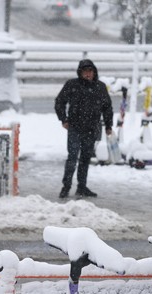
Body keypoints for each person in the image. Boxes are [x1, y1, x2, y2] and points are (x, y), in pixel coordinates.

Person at [54, 59, 113, 198]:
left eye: (90, 71)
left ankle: (81, 187)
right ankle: (66, 186)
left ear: (94, 72)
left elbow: (107, 108)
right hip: (75, 127)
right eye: (85, 71)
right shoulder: (72, 85)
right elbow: (59, 102)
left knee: (85, 158)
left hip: (92, 128)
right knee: (72, 157)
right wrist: (63, 119)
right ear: (80, 72)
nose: (88, 74)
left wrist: (108, 125)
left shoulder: (100, 87)